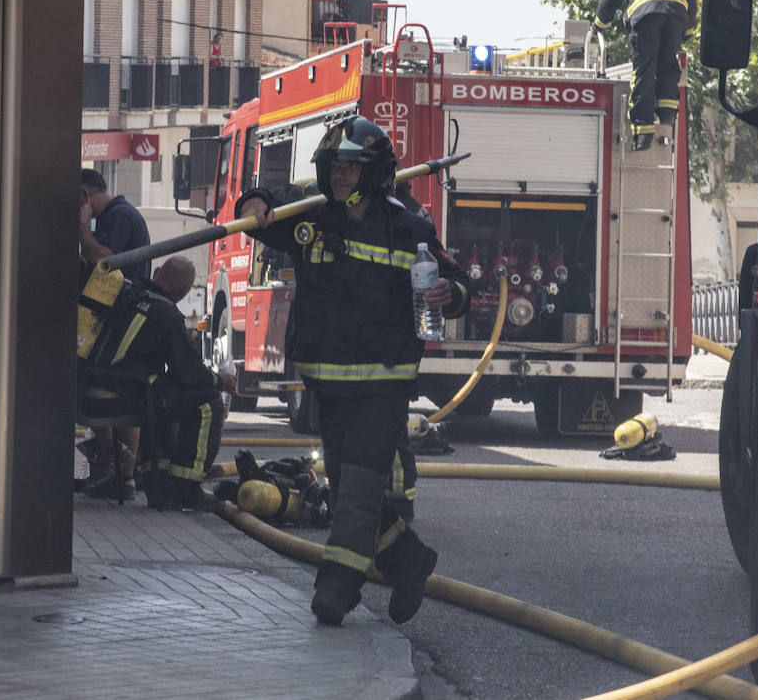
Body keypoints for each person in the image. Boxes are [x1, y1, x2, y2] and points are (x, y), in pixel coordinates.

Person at [236, 116, 469, 626]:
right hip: (331, 385)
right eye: (333, 168)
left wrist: (450, 294)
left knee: (361, 487)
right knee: (345, 491)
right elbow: (264, 206)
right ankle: (408, 561)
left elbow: (458, 283)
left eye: (349, 168)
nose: (339, 177)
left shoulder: (408, 226)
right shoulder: (311, 218)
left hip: (384, 384)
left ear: (374, 172)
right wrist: (251, 201)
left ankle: (337, 587)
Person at [79, 256, 235, 509]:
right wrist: (220, 380)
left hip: (89, 391)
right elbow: (188, 371)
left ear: (157, 272)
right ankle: (187, 488)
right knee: (208, 402)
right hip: (123, 397)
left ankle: (158, 485)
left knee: (164, 394)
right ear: (184, 292)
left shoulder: (126, 293)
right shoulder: (166, 314)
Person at [78, 168, 152, 500]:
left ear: (84, 197)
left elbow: (103, 261)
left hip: (121, 321)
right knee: (104, 388)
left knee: (114, 391)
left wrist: (81, 227)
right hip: (113, 319)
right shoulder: (115, 216)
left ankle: (122, 471)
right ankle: (117, 470)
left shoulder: (120, 216)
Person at [594, 0, 697, 150]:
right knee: (669, 64)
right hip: (676, 15)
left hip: (645, 15)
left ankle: (643, 132)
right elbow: (692, 5)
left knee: (644, 70)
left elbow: (608, 1)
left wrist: (598, 26)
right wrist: (686, 32)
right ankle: (667, 115)